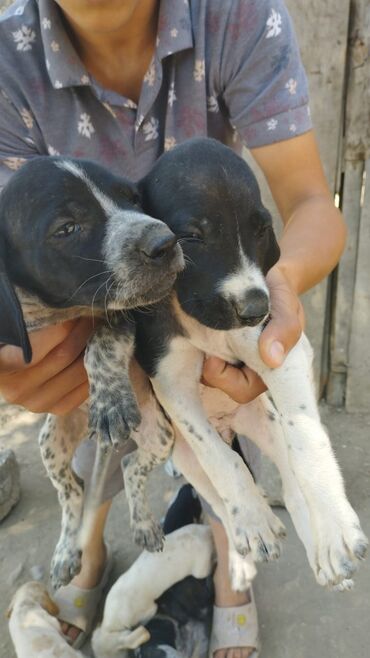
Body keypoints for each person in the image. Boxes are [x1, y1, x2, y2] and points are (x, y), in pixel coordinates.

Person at [0, 1, 346, 656]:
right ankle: (89, 545)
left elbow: (310, 202)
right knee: (98, 424)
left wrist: (278, 286)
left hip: (205, 287)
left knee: (227, 415)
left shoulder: (236, 16)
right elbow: (16, 237)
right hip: (92, 313)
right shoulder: (8, 57)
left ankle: (231, 563)